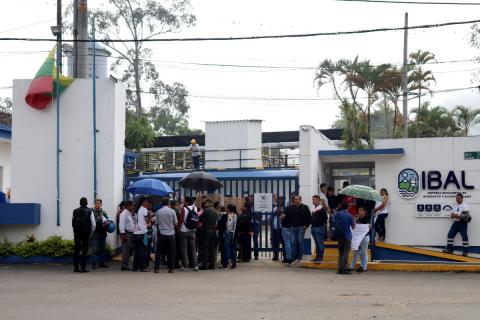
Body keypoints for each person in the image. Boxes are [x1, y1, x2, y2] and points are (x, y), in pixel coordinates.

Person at [283, 195, 311, 265]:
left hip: (301, 227)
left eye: (298, 199)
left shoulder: (305, 207)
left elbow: (309, 217)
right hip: (293, 228)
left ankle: (299, 257)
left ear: (300, 200)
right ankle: (293, 258)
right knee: (293, 243)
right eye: (295, 199)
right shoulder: (290, 208)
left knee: (300, 242)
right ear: (293, 200)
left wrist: (306, 225)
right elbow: (286, 216)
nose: (296, 200)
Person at [154, 197, 178, 274]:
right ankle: (171, 268)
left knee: (158, 251)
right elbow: (176, 223)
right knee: (171, 251)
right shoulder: (172, 211)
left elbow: (156, 223)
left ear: (162, 203)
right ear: (168, 203)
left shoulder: (158, 212)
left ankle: (157, 268)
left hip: (161, 233)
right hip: (171, 234)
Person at [72, 197, 96, 273]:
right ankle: (83, 268)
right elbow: (94, 224)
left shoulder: (75, 211)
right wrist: (91, 233)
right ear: (87, 203)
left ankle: (76, 267)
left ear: (80, 203)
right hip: (86, 233)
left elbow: (73, 223)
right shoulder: (90, 211)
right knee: (84, 250)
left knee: (77, 250)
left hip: (77, 233)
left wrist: (74, 232)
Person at [334, 200, 356, 275]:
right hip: (347, 235)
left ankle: (340, 268)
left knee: (340, 252)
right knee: (346, 253)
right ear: (348, 207)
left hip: (339, 235)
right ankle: (344, 268)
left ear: (341, 206)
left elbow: (333, 222)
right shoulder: (350, 215)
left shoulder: (337, 214)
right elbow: (353, 227)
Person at [178, 196, 199, 271]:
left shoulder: (184, 209)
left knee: (184, 248)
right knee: (193, 248)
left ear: (186, 202)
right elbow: (196, 218)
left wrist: (178, 228)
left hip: (184, 230)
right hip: (192, 230)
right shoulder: (195, 208)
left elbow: (180, 219)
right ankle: (195, 265)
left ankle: (184, 265)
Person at [199, 199, 219, 270]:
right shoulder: (216, 211)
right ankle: (212, 265)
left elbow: (200, 219)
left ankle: (205, 265)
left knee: (205, 248)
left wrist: (204, 220)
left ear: (209, 203)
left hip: (206, 230)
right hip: (213, 230)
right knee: (212, 248)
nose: (204, 204)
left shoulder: (206, 210)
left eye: (206, 203)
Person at [349, 206, 370, 273]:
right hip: (357, 237)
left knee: (363, 252)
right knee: (355, 252)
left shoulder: (367, 218)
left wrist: (358, 219)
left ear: (364, 211)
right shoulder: (356, 217)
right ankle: (351, 267)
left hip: (364, 237)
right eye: (359, 210)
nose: (359, 212)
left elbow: (367, 226)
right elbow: (353, 226)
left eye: (361, 210)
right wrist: (355, 220)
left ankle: (363, 267)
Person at [91, 199, 110, 269]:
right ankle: (93, 263)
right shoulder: (91, 212)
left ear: (101, 204)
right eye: (96, 203)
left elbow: (108, 220)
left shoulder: (103, 212)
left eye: (98, 203)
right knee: (94, 249)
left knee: (102, 248)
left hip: (103, 232)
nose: (97, 204)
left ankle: (102, 263)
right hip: (95, 233)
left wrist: (107, 223)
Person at [218, 204, 238, 269]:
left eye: (227, 208)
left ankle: (225, 264)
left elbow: (220, 225)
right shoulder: (235, 216)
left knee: (226, 249)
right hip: (233, 233)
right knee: (232, 249)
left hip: (226, 233)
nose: (226, 209)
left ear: (229, 209)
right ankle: (233, 264)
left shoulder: (225, 216)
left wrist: (220, 232)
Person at [133, 197, 149, 272]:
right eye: (146, 202)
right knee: (143, 251)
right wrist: (150, 216)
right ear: (143, 202)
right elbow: (147, 220)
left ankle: (135, 267)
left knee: (136, 251)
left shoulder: (138, 210)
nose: (147, 203)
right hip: (143, 232)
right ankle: (143, 267)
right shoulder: (144, 209)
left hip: (136, 232)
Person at [311, 195, 328, 263]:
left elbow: (325, 217)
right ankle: (317, 256)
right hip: (313, 227)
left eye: (314, 200)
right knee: (317, 243)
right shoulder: (313, 208)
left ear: (318, 200)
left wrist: (322, 224)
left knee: (320, 243)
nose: (313, 201)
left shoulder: (321, 208)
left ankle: (320, 257)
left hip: (319, 227)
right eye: (312, 200)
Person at [119, 201, 135, 271]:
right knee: (125, 250)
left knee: (128, 250)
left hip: (130, 233)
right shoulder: (124, 214)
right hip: (126, 233)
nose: (133, 207)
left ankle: (126, 265)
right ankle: (124, 265)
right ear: (128, 206)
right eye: (132, 206)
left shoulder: (129, 214)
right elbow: (121, 224)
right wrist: (123, 235)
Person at [271, 196, 284, 261]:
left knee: (284, 242)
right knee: (275, 242)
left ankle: (285, 256)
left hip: (282, 228)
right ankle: (275, 255)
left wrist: (279, 211)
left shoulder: (285, 208)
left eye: (281, 200)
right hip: (275, 228)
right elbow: (271, 215)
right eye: (279, 200)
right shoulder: (274, 208)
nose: (280, 201)